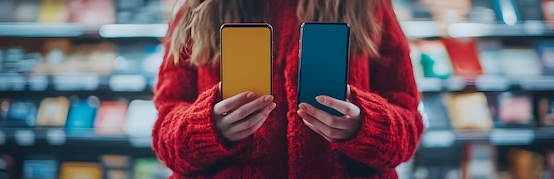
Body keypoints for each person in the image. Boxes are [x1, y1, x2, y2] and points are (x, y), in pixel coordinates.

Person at [152, 0, 424, 178]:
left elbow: (408, 129)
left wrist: (365, 126)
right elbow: (165, 137)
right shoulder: (198, 9)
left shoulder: (368, 5)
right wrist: (206, 129)